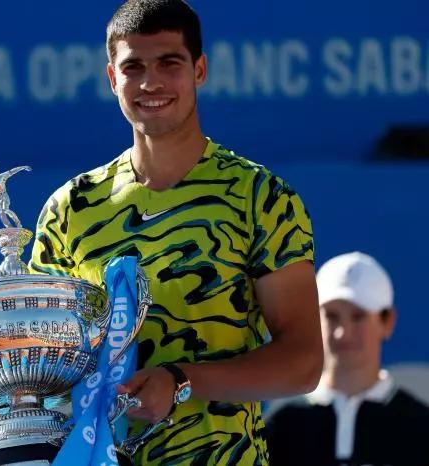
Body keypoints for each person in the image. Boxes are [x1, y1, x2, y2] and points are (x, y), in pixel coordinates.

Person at [29, 1, 322, 464]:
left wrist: (182, 380)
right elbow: (41, 361)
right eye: (134, 67)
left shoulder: (260, 196)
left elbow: (303, 363)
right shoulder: (71, 208)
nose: (151, 83)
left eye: (170, 63)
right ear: (112, 79)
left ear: (199, 70)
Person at [265, 252, 429, 466]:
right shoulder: (282, 424)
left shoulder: (419, 425)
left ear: (387, 322)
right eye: (331, 316)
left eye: (358, 316)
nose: (343, 332)